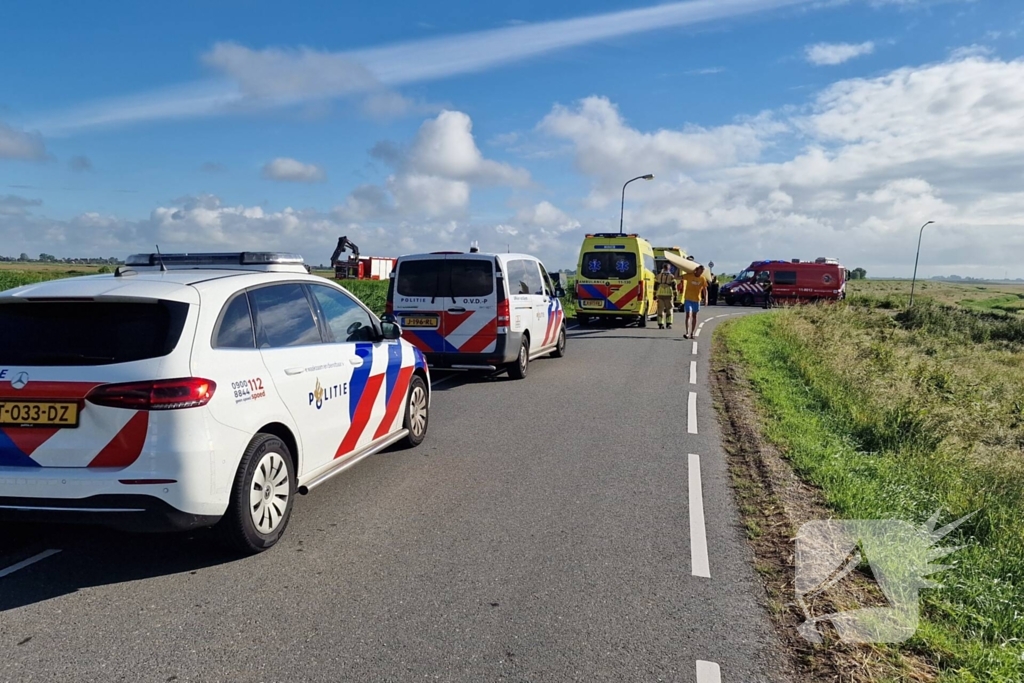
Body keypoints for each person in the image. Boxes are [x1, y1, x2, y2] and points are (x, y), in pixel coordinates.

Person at [680, 265, 708, 339]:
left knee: (694, 316)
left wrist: (706, 299)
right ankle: (687, 332)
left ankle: (692, 333)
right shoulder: (689, 276)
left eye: (702, 271)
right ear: (697, 270)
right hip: (688, 299)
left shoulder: (702, 278)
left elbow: (705, 290)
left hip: (696, 299)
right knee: (688, 314)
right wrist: (679, 268)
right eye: (700, 270)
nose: (701, 272)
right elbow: (677, 277)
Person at [654, 263, 678, 329]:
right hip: (668, 294)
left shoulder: (658, 276)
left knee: (660, 309)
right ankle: (668, 323)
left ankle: (660, 324)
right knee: (669, 309)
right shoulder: (671, 276)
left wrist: (654, 294)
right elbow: (674, 286)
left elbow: (655, 286)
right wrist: (676, 295)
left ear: (663, 268)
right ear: (669, 268)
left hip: (660, 294)